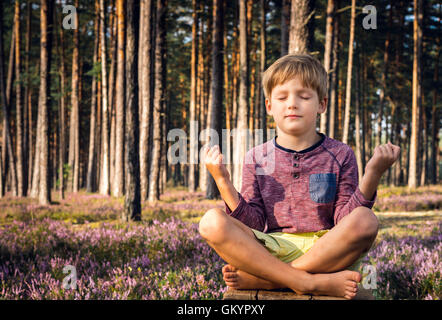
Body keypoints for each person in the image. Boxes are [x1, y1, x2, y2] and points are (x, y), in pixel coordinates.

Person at [199, 54, 400, 299]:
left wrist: (373, 173)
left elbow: (345, 219)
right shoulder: (257, 157)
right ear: (269, 106)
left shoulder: (340, 153)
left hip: (327, 251)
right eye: (282, 97)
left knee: (366, 219)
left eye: (304, 96)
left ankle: (273, 280)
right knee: (210, 222)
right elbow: (253, 223)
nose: (292, 104)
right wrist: (222, 181)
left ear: (321, 105)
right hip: (272, 249)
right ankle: (307, 281)